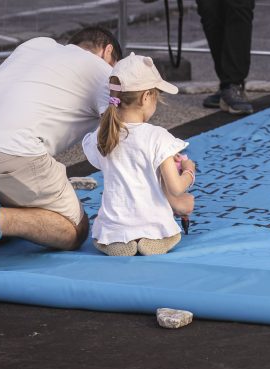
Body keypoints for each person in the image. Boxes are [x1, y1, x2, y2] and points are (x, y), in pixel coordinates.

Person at [0, 27, 122, 269]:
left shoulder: (36, 45)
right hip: (8, 156)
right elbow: (123, 138)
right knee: (74, 229)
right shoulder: (105, 72)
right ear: (107, 51)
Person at [81, 53, 196, 257]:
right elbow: (176, 188)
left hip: (113, 225)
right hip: (153, 223)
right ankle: (153, 239)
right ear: (145, 97)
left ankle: (119, 241)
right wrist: (189, 171)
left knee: (106, 234)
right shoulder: (158, 136)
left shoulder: (104, 133)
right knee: (171, 233)